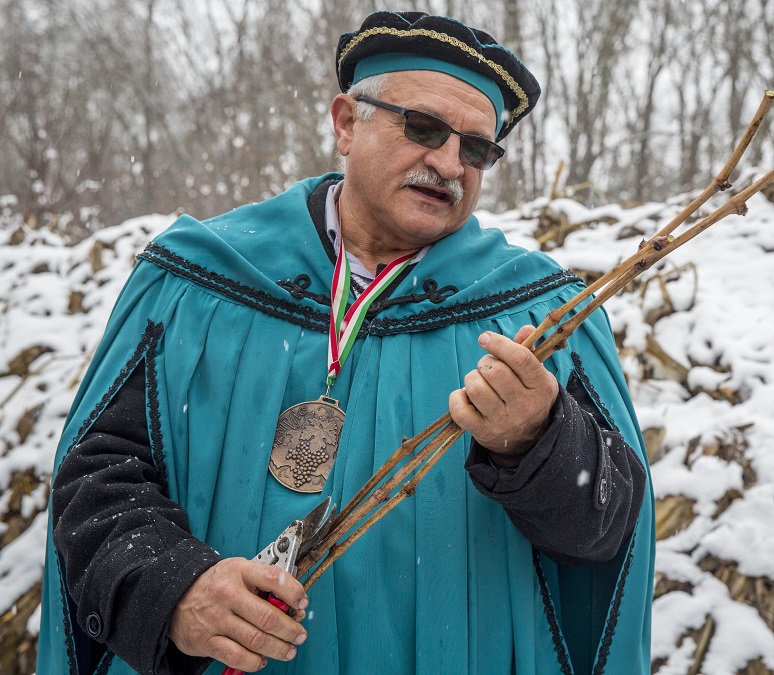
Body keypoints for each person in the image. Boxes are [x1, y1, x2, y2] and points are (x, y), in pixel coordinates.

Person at [38, 10, 653, 675]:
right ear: (344, 122)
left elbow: (610, 528)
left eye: (477, 148)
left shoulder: (537, 310)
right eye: (423, 127)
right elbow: (96, 479)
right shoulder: (194, 281)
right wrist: (173, 588)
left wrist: (539, 438)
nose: (449, 162)